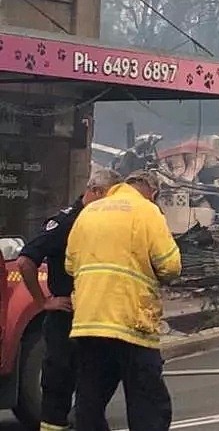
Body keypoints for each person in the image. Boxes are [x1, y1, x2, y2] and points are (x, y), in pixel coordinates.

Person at [65, 170, 180, 431]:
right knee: (147, 402)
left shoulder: (89, 213)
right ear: (154, 193)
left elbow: (70, 265)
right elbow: (171, 266)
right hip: (131, 322)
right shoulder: (147, 212)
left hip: (89, 322)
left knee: (90, 399)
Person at [17, 169, 121, 431]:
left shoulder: (98, 222)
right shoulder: (66, 222)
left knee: (93, 383)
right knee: (58, 387)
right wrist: (43, 302)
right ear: (96, 192)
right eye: (109, 197)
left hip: (92, 317)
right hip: (65, 319)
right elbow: (26, 260)